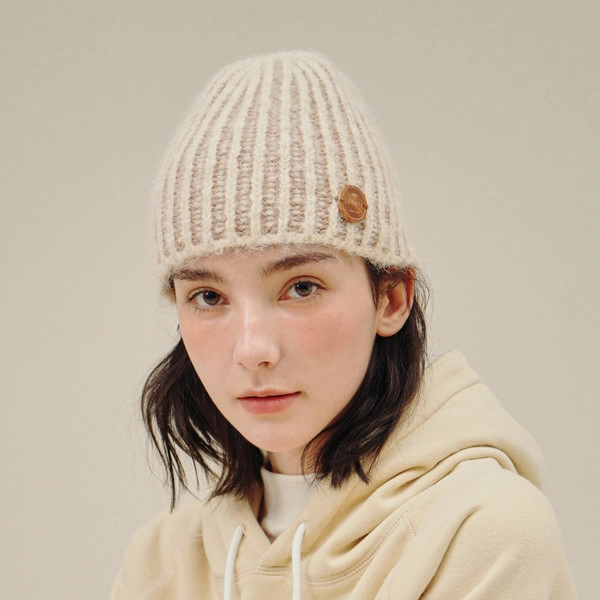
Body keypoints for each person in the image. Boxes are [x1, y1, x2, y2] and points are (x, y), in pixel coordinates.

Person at [110, 51, 577, 599]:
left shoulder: (482, 534)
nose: (252, 349)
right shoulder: (161, 561)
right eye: (208, 296)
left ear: (391, 298)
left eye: (302, 287)